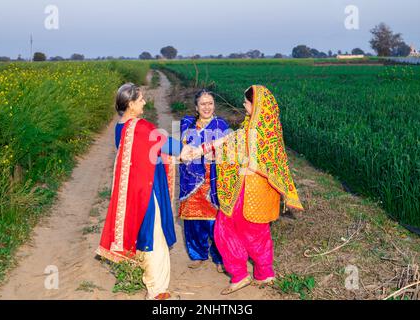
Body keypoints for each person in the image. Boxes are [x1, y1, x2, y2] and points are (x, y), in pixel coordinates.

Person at [186, 85, 304, 295]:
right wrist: (202, 150)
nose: (243, 105)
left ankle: (240, 274)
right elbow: (229, 141)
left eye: (247, 102)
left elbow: (264, 161)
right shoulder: (260, 126)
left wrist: (251, 164)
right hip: (254, 191)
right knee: (256, 232)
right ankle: (264, 273)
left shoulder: (258, 130)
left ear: (256, 105)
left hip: (250, 191)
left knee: (225, 228)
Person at [96, 83, 182, 300]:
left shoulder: (120, 127)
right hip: (146, 188)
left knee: (143, 230)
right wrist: (189, 149)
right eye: (141, 99)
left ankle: (150, 281)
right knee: (154, 235)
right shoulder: (140, 127)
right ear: (131, 104)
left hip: (132, 189)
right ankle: (156, 291)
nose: (144, 102)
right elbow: (165, 144)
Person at [179, 89, 229, 272]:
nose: (207, 107)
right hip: (191, 180)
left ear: (214, 105)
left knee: (215, 221)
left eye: (210, 103)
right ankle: (197, 254)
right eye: (203, 104)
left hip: (213, 180)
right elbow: (184, 150)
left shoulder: (221, 125)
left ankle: (219, 257)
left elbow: (228, 151)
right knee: (193, 219)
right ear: (196, 107)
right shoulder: (187, 124)